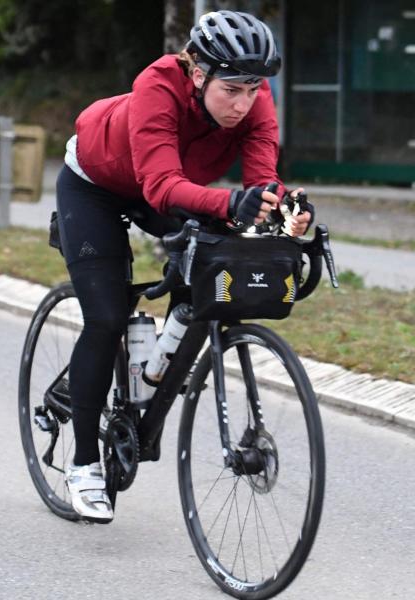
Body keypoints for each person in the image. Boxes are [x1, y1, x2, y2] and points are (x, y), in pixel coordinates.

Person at [55, 10, 312, 523]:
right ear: (199, 75)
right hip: (98, 187)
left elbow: (263, 181)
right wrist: (230, 203)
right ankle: (84, 464)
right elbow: (160, 187)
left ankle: (148, 370)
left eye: (253, 89)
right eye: (231, 90)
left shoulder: (256, 102)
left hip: (171, 188)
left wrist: (288, 209)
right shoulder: (157, 85)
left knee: (206, 277)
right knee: (105, 318)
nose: (244, 103)